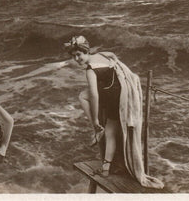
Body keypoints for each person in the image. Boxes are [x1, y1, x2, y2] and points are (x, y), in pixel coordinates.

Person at [65, 35, 163, 189]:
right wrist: (115, 65)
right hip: (122, 94)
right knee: (110, 130)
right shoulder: (102, 54)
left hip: (115, 99)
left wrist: (96, 120)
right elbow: (112, 55)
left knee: (84, 98)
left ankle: (96, 129)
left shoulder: (90, 71)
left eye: (79, 54)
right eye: (74, 56)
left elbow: (94, 96)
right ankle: (106, 167)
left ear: (86, 52)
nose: (77, 59)